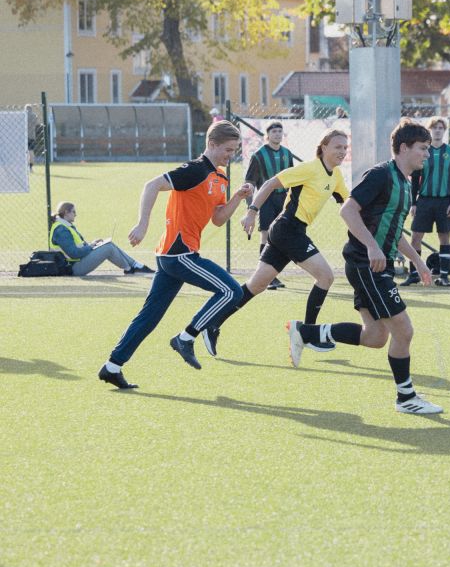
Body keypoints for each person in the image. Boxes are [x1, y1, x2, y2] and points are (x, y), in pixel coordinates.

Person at [287, 118, 442, 414]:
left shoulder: (406, 183)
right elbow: (347, 210)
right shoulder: (381, 175)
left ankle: (306, 333)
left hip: (372, 265)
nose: (427, 153)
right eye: (422, 148)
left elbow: (394, 232)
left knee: (375, 337)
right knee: (404, 331)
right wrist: (371, 246)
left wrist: (418, 260)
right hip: (366, 265)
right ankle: (406, 399)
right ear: (405, 148)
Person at [97, 120, 253, 389]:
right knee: (231, 292)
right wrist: (143, 223)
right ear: (211, 144)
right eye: (227, 150)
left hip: (177, 255)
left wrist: (237, 197)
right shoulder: (194, 170)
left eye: (234, 150)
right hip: (178, 254)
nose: (231, 155)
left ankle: (112, 366)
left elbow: (217, 218)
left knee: (149, 317)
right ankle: (186, 337)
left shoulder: (221, 177)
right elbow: (151, 185)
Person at [201, 129, 350, 358]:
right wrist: (252, 212)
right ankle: (307, 333)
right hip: (288, 229)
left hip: (290, 231)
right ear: (323, 148)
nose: (342, 151)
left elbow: (347, 204)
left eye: (345, 147)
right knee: (326, 276)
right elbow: (270, 183)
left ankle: (212, 323)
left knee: (256, 285)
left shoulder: (336, 176)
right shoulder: (309, 169)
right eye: (338, 146)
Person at [400, 116, 450, 287]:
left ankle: (443, 276)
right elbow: (415, 178)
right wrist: (414, 203)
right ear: (429, 131)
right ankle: (413, 274)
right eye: (434, 127)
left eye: (441, 128)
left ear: (444, 131)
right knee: (415, 238)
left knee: (444, 238)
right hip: (425, 201)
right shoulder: (423, 153)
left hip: (444, 202)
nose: (437, 130)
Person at [244, 121, 295, 290]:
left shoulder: (287, 154)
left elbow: (292, 178)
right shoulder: (259, 155)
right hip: (266, 199)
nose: (277, 134)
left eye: (280, 131)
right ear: (267, 135)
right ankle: (264, 277)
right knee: (265, 235)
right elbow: (250, 181)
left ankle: (273, 275)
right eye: (274, 131)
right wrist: (250, 206)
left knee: (279, 235)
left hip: (283, 200)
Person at [49, 201, 154, 276]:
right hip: (73, 267)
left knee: (109, 244)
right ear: (66, 213)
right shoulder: (61, 230)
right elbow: (74, 253)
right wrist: (90, 246)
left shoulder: (64, 226)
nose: (76, 215)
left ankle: (135, 266)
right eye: (73, 212)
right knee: (108, 248)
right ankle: (130, 268)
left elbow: (78, 247)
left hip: (77, 262)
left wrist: (92, 244)